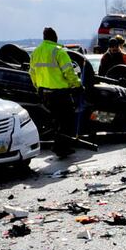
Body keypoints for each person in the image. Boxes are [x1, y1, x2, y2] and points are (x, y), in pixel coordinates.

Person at [28, 26, 82, 155]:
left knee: (56, 120)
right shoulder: (59, 52)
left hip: (44, 93)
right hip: (60, 93)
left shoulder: (36, 52)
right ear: (55, 38)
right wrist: (77, 85)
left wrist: (38, 88)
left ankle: (59, 145)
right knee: (66, 120)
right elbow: (69, 72)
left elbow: (32, 73)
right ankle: (61, 148)